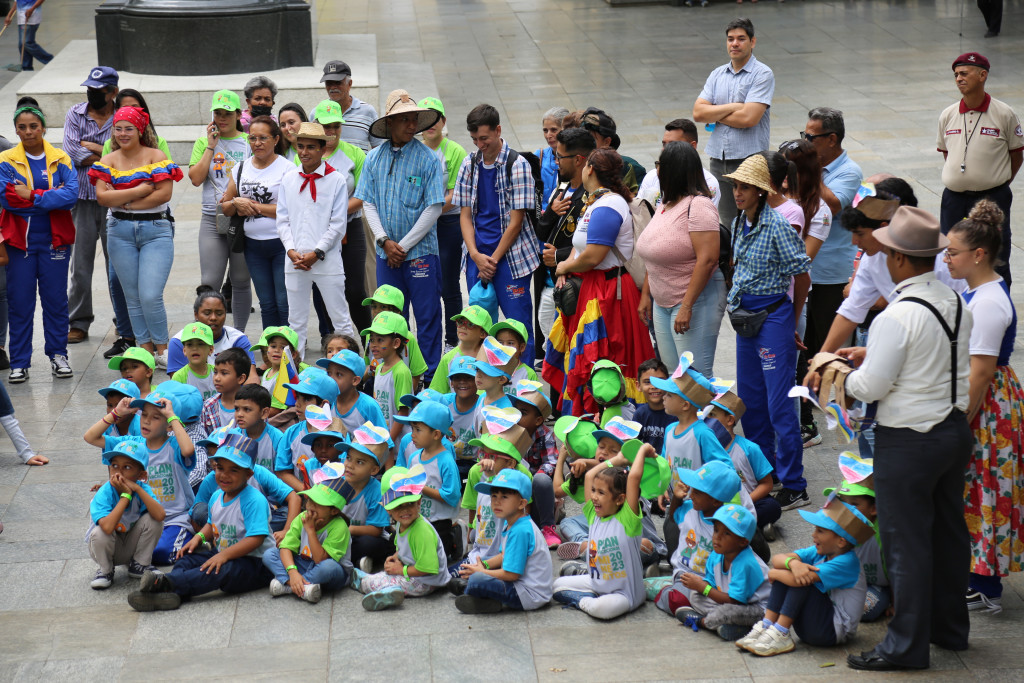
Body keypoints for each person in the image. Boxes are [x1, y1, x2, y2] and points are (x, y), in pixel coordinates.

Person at [804, 206, 974, 671]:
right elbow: (929, 358)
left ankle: (905, 647)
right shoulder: (954, 299)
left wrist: (837, 370)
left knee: (906, 545)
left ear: (899, 259)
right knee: (948, 535)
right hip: (952, 430)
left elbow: (868, 389)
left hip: (910, 441)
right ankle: (949, 628)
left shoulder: (896, 315)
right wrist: (869, 353)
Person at [944, 200, 1023, 614]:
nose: (946, 259)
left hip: (989, 405)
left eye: (953, 252)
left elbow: (980, 371)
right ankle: (977, 574)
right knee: (975, 487)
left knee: (985, 486)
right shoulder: (979, 292)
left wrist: (963, 419)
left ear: (978, 255)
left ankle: (984, 583)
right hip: (987, 400)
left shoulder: (989, 301)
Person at [723, 154, 811, 511]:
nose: (738, 193)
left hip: (774, 317)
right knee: (751, 401)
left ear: (761, 191)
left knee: (779, 406)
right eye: (735, 186)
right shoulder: (738, 223)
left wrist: (792, 319)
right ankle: (767, 473)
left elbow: (801, 275)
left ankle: (795, 483)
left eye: (745, 187)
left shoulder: (777, 225)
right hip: (747, 319)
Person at [542, 149, 654, 417]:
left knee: (608, 359)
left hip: (609, 294)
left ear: (589, 168)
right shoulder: (596, 202)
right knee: (591, 359)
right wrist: (564, 269)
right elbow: (579, 248)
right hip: (593, 291)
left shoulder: (608, 205)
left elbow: (593, 256)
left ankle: (616, 426)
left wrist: (562, 266)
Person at [356, 90, 446, 376]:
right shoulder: (373, 159)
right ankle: (391, 374)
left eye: (414, 119)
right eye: (404, 120)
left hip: (420, 255)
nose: (411, 125)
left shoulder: (428, 159)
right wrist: (384, 240)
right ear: (389, 124)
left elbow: (433, 208)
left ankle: (430, 377)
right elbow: (367, 202)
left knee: (428, 316)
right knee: (388, 319)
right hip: (387, 255)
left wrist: (402, 246)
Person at [128, 437, 272, 612]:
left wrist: (224, 555)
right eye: (220, 468)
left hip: (255, 562)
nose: (224, 475)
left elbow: (256, 539)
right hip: (224, 551)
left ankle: (168, 584)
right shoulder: (216, 496)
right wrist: (199, 537)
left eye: (234, 470)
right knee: (187, 559)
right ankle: (172, 592)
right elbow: (212, 523)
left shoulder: (254, 500)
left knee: (221, 569)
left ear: (248, 474)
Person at [92, 106, 184, 368]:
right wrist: (141, 190)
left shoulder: (156, 155)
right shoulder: (108, 159)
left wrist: (123, 199)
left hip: (155, 229)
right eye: (118, 128)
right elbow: (101, 197)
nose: (123, 133)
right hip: (119, 232)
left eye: (128, 128)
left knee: (150, 294)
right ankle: (144, 349)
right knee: (132, 295)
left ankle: (163, 349)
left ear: (140, 129)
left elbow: (163, 195)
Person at [454, 104, 540, 364]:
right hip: (477, 256)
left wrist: (492, 260)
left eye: (484, 138)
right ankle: (481, 379)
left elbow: (516, 222)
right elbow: (465, 215)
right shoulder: (469, 164)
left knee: (517, 327)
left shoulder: (518, 165)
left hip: (512, 260)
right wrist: (475, 255)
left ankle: (525, 387)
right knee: (477, 327)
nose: (480, 145)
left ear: (498, 130)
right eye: (475, 139)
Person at [0, 99, 77, 384]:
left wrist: (32, 196)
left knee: (55, 301)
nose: (29, 131)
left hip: (55, 240)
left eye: (34, 126)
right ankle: (19, 362)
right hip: (19, 242)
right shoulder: (5, 159)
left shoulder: (60, 158)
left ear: (43, 127)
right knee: (20, 302)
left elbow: (71, 196)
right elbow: (7, 199)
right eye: (22, 127)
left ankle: (58, 355)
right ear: (16, 131)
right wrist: (49, 198)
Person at [736, 501, 872, 657]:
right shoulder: (819, 552)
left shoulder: (847, 562)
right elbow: (778, 559)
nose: (814, 535)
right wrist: (792, 563)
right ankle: (767, 625)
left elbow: (798, 579)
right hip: (810, 626)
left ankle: (780, 632)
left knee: (802, 579)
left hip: (831, 631)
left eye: (820, 531)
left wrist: (773, 574)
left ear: (841, 541)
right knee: (793, 571)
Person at [636, 141, 725, 377]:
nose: (657, 171)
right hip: (662, 302)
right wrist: (646, 295)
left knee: (694, 377)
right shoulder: (666, 204)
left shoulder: (699, 206)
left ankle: (708, 415)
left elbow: (707, 259)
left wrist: (687, 306)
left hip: (693, 301)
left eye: (660, 165)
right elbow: (654, 254)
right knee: (673, 376)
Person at [800, 109, 863, 442]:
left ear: (832, 139)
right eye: (804, 135)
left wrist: (810, 171)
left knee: (826, 341)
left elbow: (834, 205)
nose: (805, 142)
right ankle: (809, 401)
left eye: (811, 137)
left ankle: (834, 405)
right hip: (806, 267)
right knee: (805, 340)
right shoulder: (814, 166)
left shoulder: (848, 171)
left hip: (831, 271)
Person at [64, 66, 133, 356]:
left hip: (114, 200)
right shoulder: (75, 114)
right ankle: (78, 321)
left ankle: (123, 321)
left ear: (113, 92)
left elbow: (127, 155)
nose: (92, 95)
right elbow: (72, 150)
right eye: (89, 89)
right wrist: (107, 155)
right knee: (80, 266)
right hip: (81, 198)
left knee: (117, 265)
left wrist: (96, 152)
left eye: (99, 90)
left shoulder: (124, 118)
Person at [938, 52, 1022, 284]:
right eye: (956, 75)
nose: (959, 79)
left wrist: (998, 180)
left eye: (964, 73)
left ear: (982, 75)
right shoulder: (948, 114)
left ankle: (1000, 301)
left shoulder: (1004, 113)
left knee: (996, 253)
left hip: (992, 197)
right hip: (953, 198)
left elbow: (1016, 155)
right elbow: (947, 152)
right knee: (952, 252)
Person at [276, 121, 358, 354]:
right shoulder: (289, 179)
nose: (304, 152)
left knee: (340, 319)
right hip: (295, 260)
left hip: (326, 259)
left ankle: (349, 369)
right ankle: (295, 371)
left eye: (311, 147)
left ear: (323, 149)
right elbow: (282, 220)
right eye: (300, 146)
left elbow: (338, 224)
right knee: (296, 322)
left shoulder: (336, 180)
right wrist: (291, 250)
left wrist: (317, 252)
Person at [693, 18, 774, 228]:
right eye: (730, 39)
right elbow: (698, 113)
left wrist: (715, 112)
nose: (734, 44)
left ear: (752, 42)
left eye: (741, 39)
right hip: (719, 158)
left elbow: (749, 118)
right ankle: (731, 260)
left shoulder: (762, 74)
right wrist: (735, 106)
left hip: (748, 158)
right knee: (727, 221)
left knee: (752, 219)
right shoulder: (717, 74)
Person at [551, 450, 648, 620]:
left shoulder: (627, 520)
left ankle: (585, 601)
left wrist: (643, 450)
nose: (594, 497)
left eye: (601, 493)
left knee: (600, 609)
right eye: (594, 491)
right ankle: (588, 583)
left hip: (624, 594)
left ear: (620, 499)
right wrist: (615, 460)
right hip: (596, 582)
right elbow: (589, 477)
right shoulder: (594, 515)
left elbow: (633, 478)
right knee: (556, 585)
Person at [188, 89, 252, 332]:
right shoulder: (204, 142)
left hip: (242, 218)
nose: (222, 118)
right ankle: (204, 334)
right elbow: (195, 178)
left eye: (227, 113)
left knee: (241, 280)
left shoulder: (248, 142)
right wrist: (210, 147)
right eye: (217, 113)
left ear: (238, 114)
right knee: (209, 282)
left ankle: (239, 335)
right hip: (211, 217)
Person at [219, 116, 293, 329]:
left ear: (276, 139)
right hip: (252, 245)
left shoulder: (287, 168)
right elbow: (225, 206)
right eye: (252, 138)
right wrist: (236, 202)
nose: (257, 143)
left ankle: (289, 348)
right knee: (267, 302)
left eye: (263, 138)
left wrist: (251, 205)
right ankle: (271, 349)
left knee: (283, 300)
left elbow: (290, 211)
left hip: (281, 244)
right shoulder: (241, 168)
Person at [350, 465, 451, 611]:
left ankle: (370, 586)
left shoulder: (421, 531)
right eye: (398, 506)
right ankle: (383, 587)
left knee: (378, 581)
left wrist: (401, 570)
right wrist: (395, 557)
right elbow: (402, 547)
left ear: (419, 502)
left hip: (428, 582)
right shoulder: (402, 524)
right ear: (388, 508)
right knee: (385, 575)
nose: (404, 511)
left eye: (409, 504)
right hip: (417, 574)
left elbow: (429, 568)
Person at [309, 99, 370, 335]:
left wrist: (334, 211)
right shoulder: (307, 154)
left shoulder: (354, 154)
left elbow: (364, 195)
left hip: (350, 228)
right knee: (324, 288)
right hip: (318, 231)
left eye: (335, 125)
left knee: (355, 290)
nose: (331, 131)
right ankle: (330, 343)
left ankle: (368, 341)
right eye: (325, 126)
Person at [456, 468, 554, 613]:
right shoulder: (512, 523)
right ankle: (481, 596)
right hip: (522, 585)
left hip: (530, 595)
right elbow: (503, 556)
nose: (496, 502)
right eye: (494, 496)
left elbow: (511, 575)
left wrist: (482, 572)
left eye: (504, 497)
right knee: (476, 567)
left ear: (522, 503)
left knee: (477, 580)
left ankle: (476, 592)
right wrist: (482, 565)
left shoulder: (520, 530)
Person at [674, 504, 769, 641]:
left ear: (743, 542)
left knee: (728, 612)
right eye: (716, 530)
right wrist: (701, 585)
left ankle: (702, 622)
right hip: (732, 602)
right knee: (696, 596)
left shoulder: (746, 564)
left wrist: (704, 587)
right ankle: (729, 626)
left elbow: (734, 601)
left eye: (726, 533)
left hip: (757, 609)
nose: (717, 537)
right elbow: (711, 583)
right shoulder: (717, 555)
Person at [535, 127, 595, 342]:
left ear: (579, 160)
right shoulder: (562, 188)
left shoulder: (593, 197)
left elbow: (595, 247)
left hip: (578, 287)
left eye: (559, 156)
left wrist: (559, 256)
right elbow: (541, 231)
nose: (556, 161)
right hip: (552, 282)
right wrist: (551, 212)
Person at [419, 97, 469, 348]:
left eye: (435, 117)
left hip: (447, 224)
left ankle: (452, 340)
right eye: (424, 118)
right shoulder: (415, 149)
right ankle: (428, 342)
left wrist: (429, 212)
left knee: (449, 285)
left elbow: (455, 194)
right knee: (425, 285)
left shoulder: (455, 151)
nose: (430, 124)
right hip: (421, 226)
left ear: (443, 121)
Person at [87, 441, 165, 590]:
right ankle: (105, 571)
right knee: (99, 532)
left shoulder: (142, 489)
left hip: (130, 545)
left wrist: (136, 488)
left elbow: (160, 515)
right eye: (114, 466)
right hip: (106, 548)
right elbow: (108, 527)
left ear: (141, 475)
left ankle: (140, 565)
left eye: (127, 467)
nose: (118, 472)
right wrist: (125, 496)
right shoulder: (105, 492)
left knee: (154, 519)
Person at [263, 473, 352, 604]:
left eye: (318, 503)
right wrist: (292, 572)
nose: (310, 506)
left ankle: (290, 587)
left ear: (333, 511)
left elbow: (320, 559)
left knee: (329, 567)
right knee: (269, 554)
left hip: (331, 572)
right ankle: (299, 585)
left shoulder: (339, 526)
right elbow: (286, 547)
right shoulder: (302, 517)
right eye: (310, 500)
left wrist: (310, 531)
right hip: (303, 563)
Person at [167, 287, 256, 377]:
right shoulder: (178, 341)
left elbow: (252, 378)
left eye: (219, 313)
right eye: (207, 313)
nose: (213, 318)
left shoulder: (238, 339)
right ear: (196, 314)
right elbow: (177, 386)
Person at [637, 118, 721, 210]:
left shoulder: (709, 184)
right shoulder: (652, 176)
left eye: (673, 145)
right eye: (664, 144)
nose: (665, 150)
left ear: (692, 146)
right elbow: (640, 213)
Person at [321, 60, 381, 151]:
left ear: (349, 84)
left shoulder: (367, 111)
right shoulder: (318, 112)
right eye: (329, 83)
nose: (332, 87)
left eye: (338, 83)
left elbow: (378, 150)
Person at [580, 108, 644, 193]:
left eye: (590, 140)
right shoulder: (578, 163)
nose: (584, 144)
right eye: (582, 139)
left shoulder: (628, 167)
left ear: (606, 142)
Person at [101, 90, 172, 162]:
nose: (130, 111)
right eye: (125, 108)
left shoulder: (159, 143)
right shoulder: (109, 145)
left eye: (135, 107)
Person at [4, 0, 52, 72]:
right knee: (22, 45)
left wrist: (32, 9)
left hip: (32, 18)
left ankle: (50, 60)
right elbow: (16, 2)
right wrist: (9, 16)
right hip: (21, 19)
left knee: (26, 43)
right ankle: (27, 68)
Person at [536, 106, 569, 210]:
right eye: (545, 130)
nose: (548, 135)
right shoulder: (539, 155)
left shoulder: (573, 159)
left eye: (553, 130)